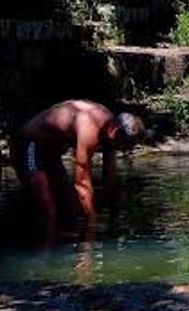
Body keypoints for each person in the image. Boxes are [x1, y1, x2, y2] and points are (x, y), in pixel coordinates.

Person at [11, 100, 145, 235]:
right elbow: (82, 184)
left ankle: (63, 241)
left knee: (68, 206)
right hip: (31, 143)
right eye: (125, 144)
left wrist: (115, 214)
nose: (124, 150)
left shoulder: (111, 130)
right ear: (115, 132)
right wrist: (92, 226)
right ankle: (46, 251)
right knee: (50, 212)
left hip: (52, 150)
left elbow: (110, 175)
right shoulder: (90, 127)